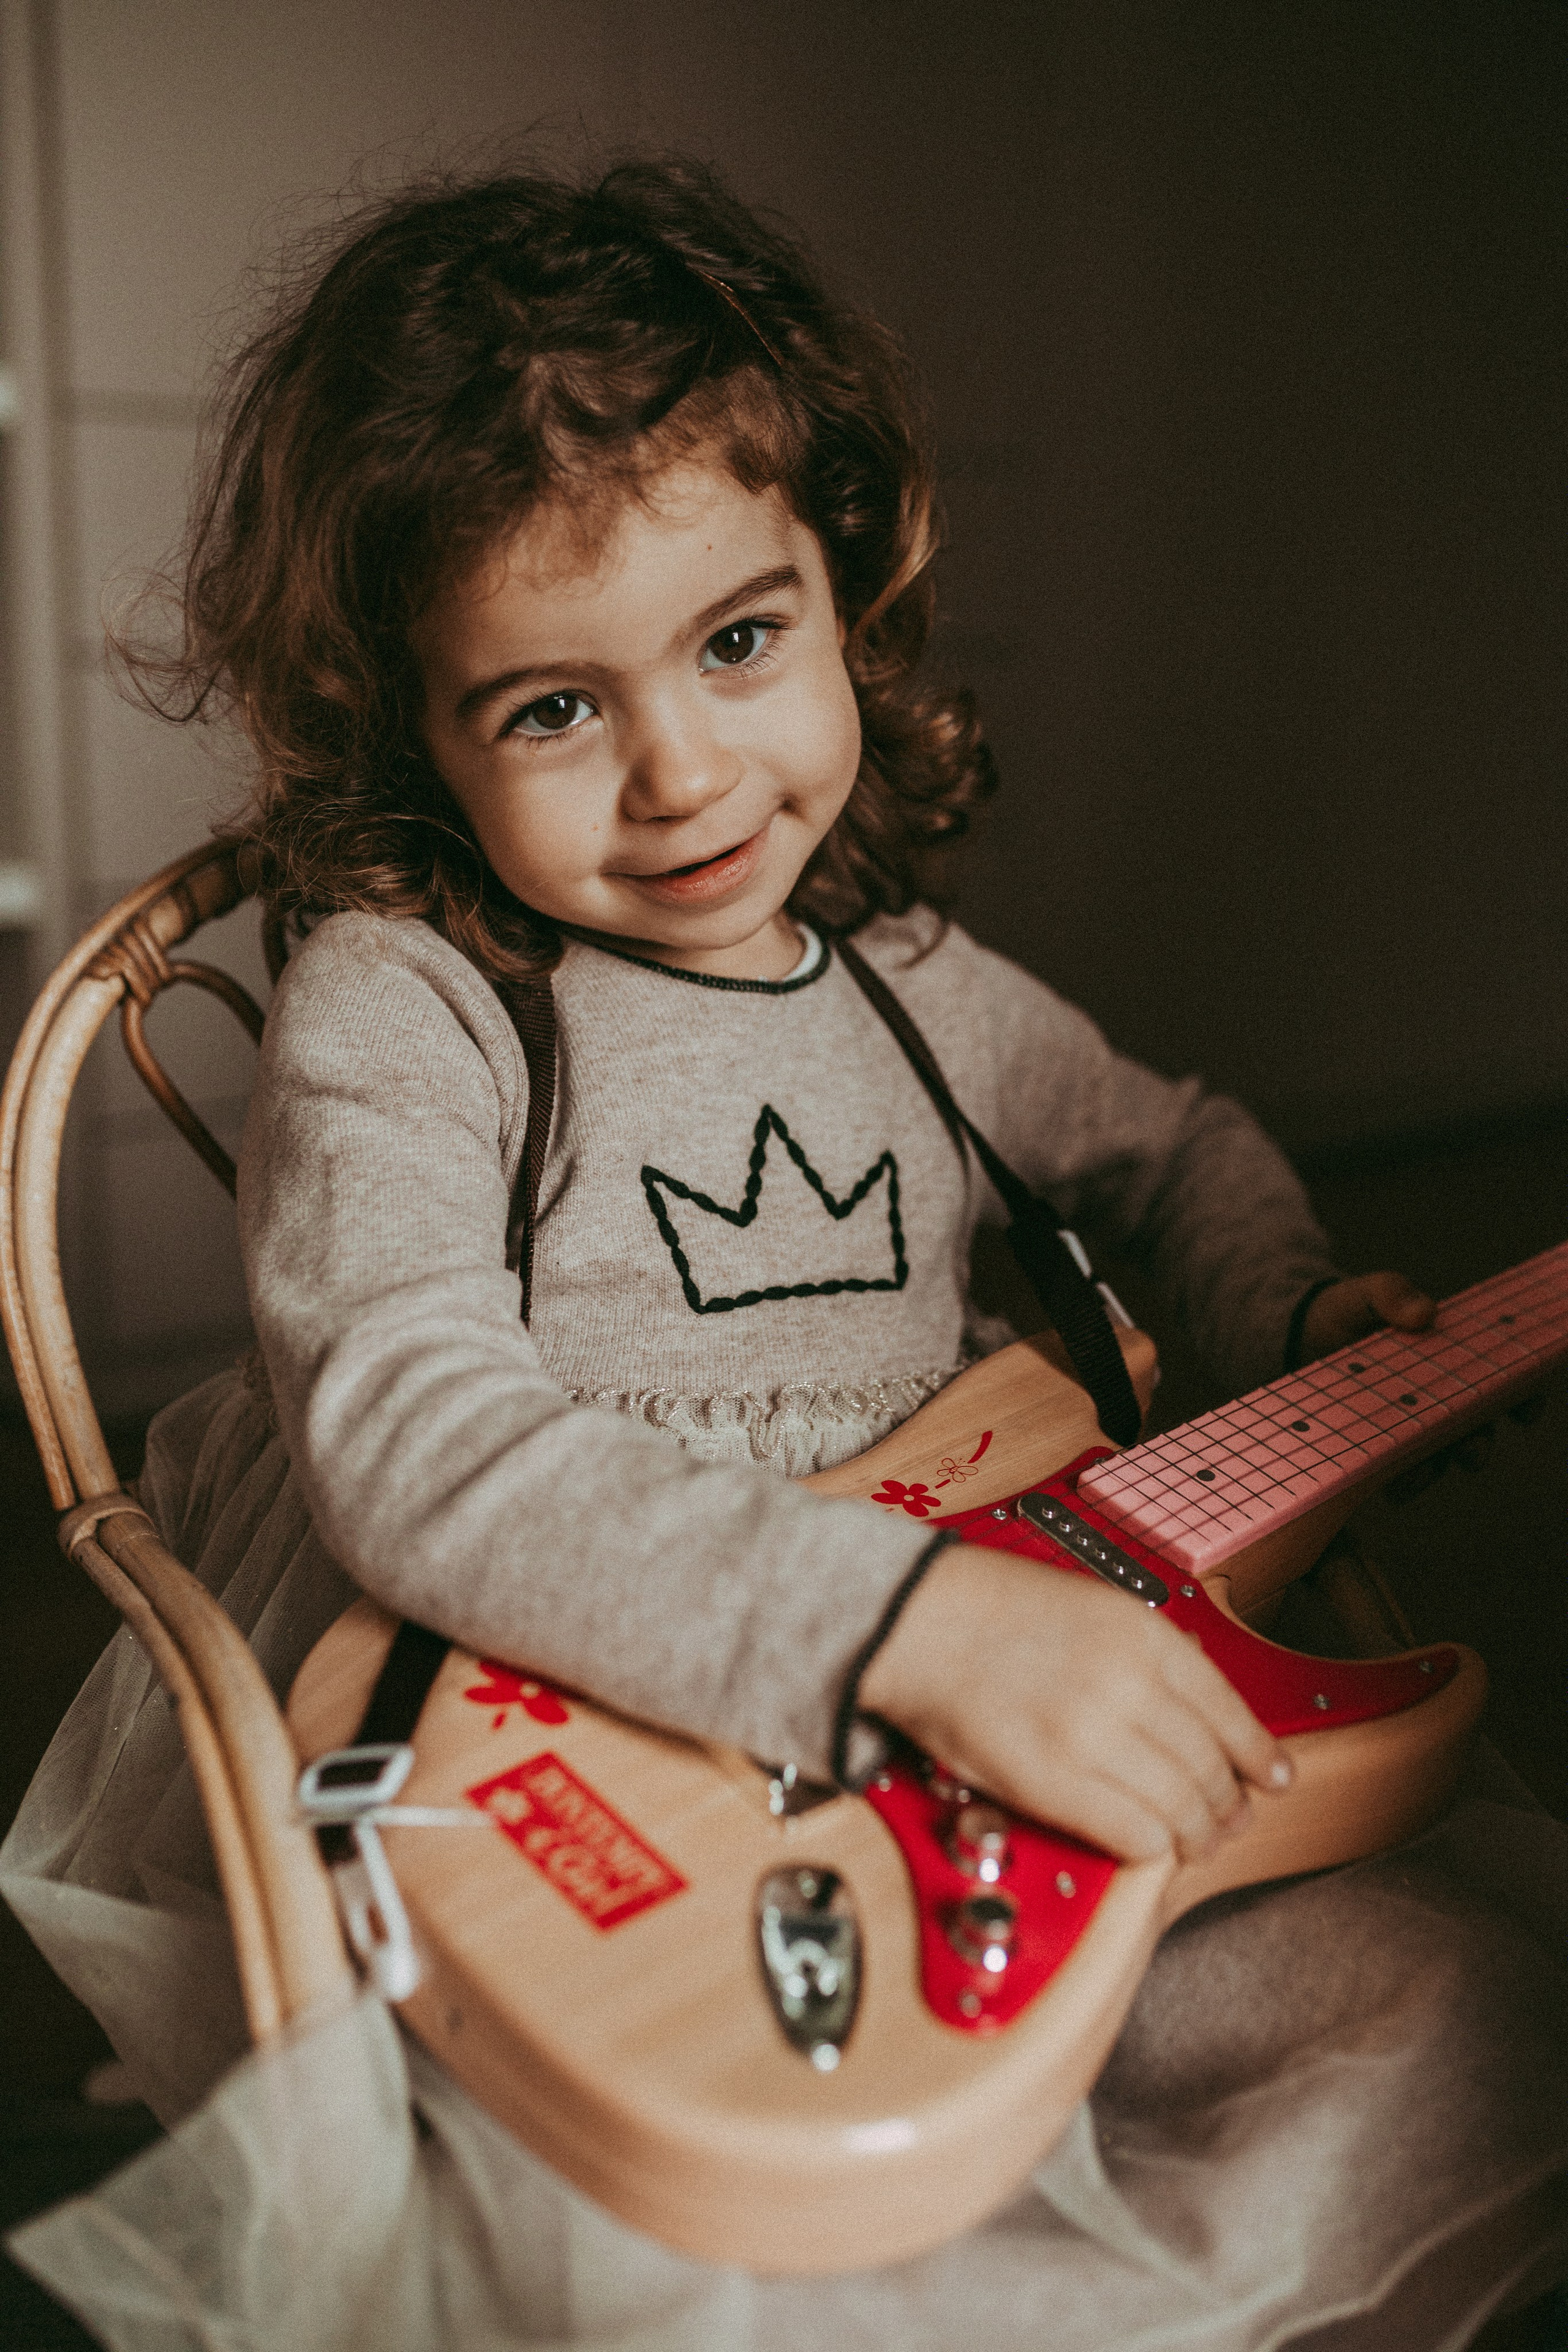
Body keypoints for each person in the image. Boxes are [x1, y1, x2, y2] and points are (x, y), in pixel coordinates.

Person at [3, 161, 1565, 2350]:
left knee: (1474, 2014)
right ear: (410, 729)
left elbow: (1176, 1145)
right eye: (550, 706)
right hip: (594, 1713)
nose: (679, 773)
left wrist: (1283, 1305)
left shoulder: (922, 979)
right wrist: (904, 1628)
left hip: (996, 1660)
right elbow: (412, 1432)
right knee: (702, 2242)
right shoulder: (416, 997)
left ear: (847, 590)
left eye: (739, 641)